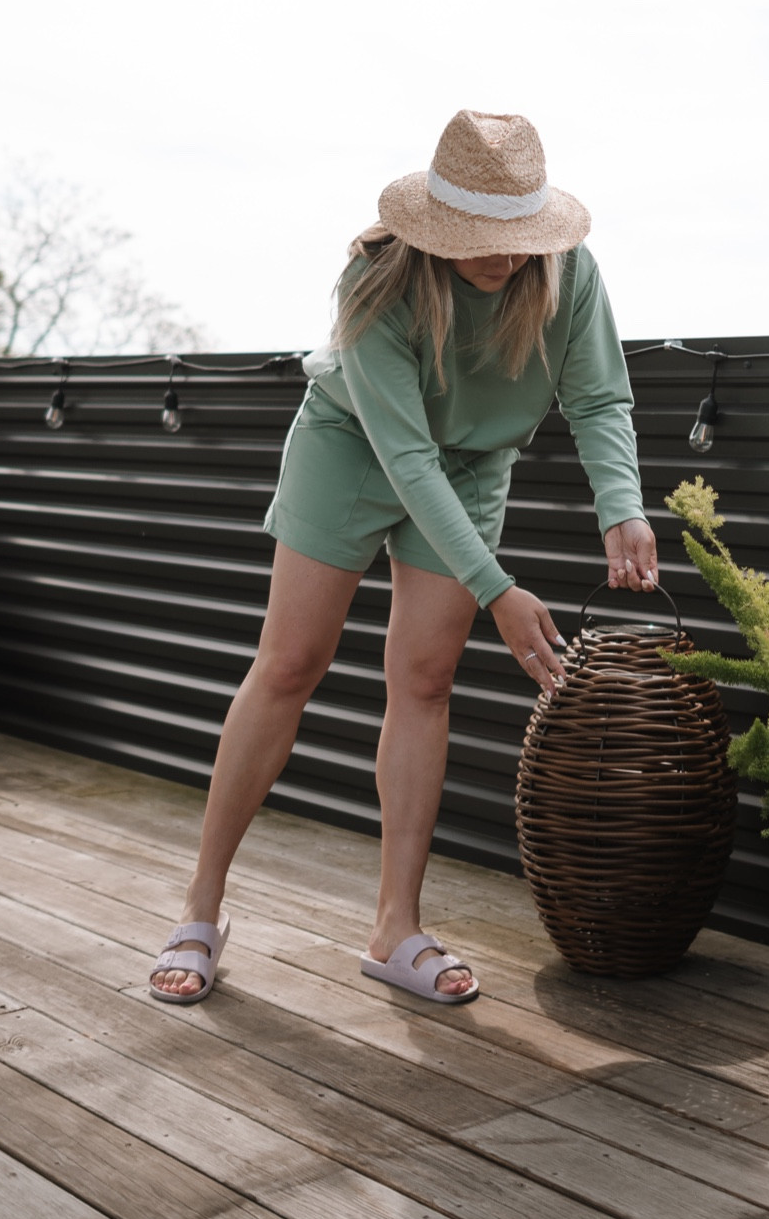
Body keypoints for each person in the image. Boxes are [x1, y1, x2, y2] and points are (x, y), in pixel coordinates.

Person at [149, 110, 656, 1007]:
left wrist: (621, 506)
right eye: (478, 238)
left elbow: (599, 395)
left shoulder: (567, 271)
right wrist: (496, 587)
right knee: (289, 664)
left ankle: (396, 926)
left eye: (516, 235)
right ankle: (200, 906)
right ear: (436, 227)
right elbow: (405, 455)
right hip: (354, 444)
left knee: (423, 682)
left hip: (473, 462)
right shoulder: (376, 275)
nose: (500, 256)